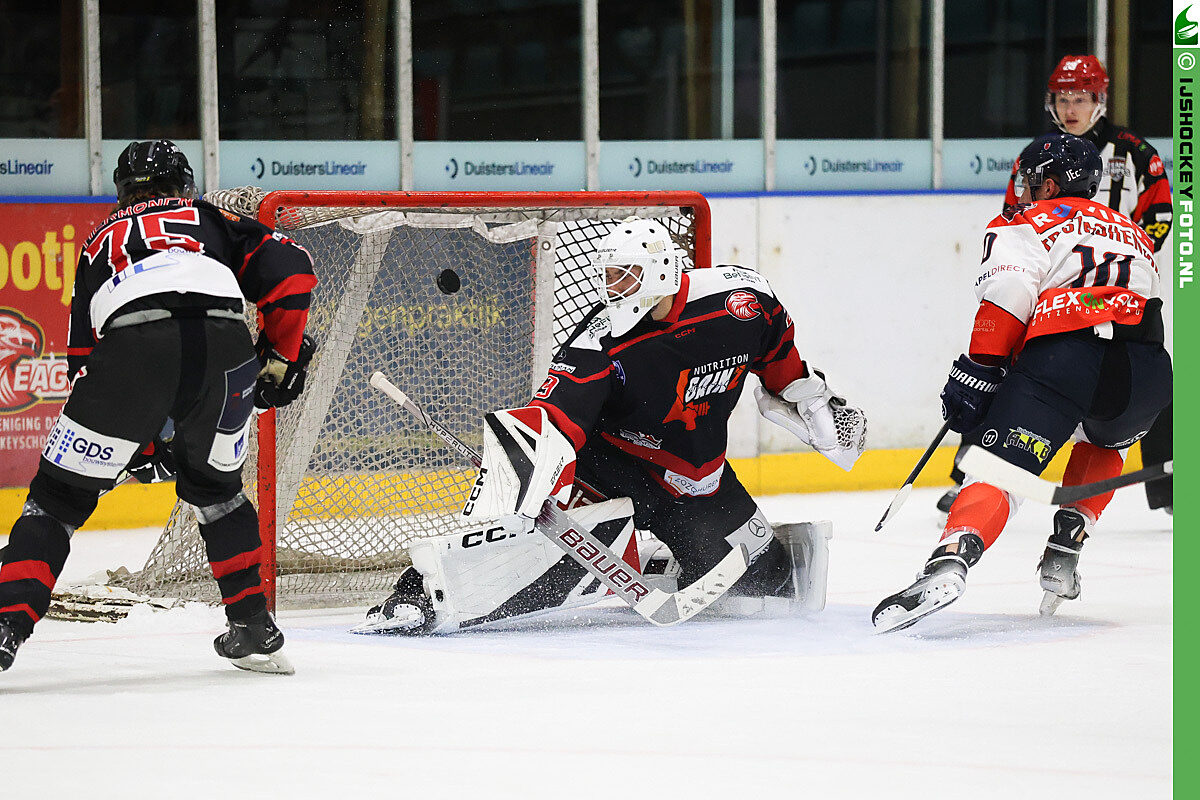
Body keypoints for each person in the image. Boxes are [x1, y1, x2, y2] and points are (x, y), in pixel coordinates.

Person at [356, 219, 867, 634]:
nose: (613, 288)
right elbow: (554, 416)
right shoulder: (601, 339)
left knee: (769, 585)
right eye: (610, 276)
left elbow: (783, 367)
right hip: (612, 468)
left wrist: (818, 411)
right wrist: (529, 473)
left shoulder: (742, 304)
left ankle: (656, 559)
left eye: (626, 275)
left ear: (662, 271)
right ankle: (418, 593)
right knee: (546, 548)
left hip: (696, 479)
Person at [0, 140, 317, 673]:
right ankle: (252, 625)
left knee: (56, 502)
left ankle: (6, 624)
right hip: (226, 349)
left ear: (123, 192)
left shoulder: (99, 241)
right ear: (184, 185)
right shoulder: (211, 219)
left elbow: (85, 361)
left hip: (132, 347)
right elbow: (295, 273)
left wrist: (140, 440)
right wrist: (280, 359)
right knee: (219, 494)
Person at [874, 134, 1171, 633]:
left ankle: (951, 560)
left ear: (1049, 184)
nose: (1024, 190)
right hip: (1147, 373)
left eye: (1031, 181)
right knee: (1104, 439)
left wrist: (980, 371)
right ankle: (1066, 545)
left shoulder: (1026, 221)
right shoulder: (1132, 232)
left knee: (1002, 469)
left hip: (1065, 360)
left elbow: (1010, 294)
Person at [939, 54, 1173, 515]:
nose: (1071, 109)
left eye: (1080, 99)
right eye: (1063, 100)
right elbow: (1016, 216)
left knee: (1145, 372)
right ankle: (972, 473)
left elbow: (1160, 213)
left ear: (1099, 101)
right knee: (1003, 363)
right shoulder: (1039, 155)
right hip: (1058, 291)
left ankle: (1170, 489)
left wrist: (1124, 253)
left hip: (1119, 288)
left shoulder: (1135, 152)